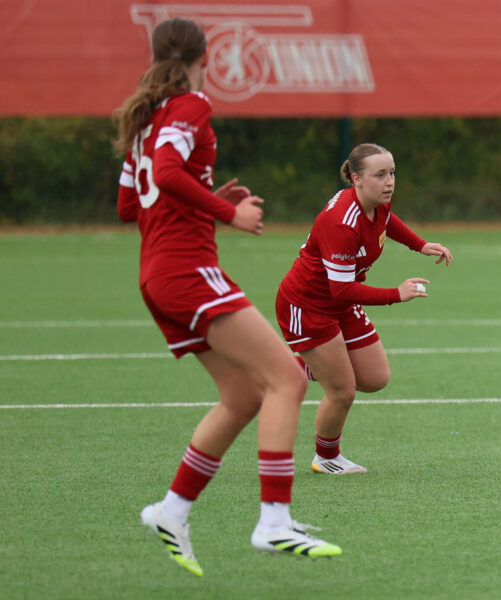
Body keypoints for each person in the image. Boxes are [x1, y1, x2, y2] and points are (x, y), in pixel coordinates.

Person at [114, 17, 341, 576]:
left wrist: (206, 197)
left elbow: (129, 205)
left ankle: (171, 511)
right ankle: (273, 521)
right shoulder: (191, 103)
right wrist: (226, 211)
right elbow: (166, 174)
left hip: (155, 276)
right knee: (288, 377)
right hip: (186, 270)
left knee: (242, 396)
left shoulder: (146, 118)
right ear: (205, 56)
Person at [275, 143, 452, 475]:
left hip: (339, 303)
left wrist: (419, 244)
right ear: (356, 179)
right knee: (343, 391)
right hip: (308, 305)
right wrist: (395, 294)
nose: (389, 182)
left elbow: (386, 222)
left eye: (392, 173)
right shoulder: (342, 222)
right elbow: (340, 289)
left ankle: (294, 369)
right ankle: (326, 458)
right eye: (380, 174)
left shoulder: (375, 203)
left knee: (375, 377)